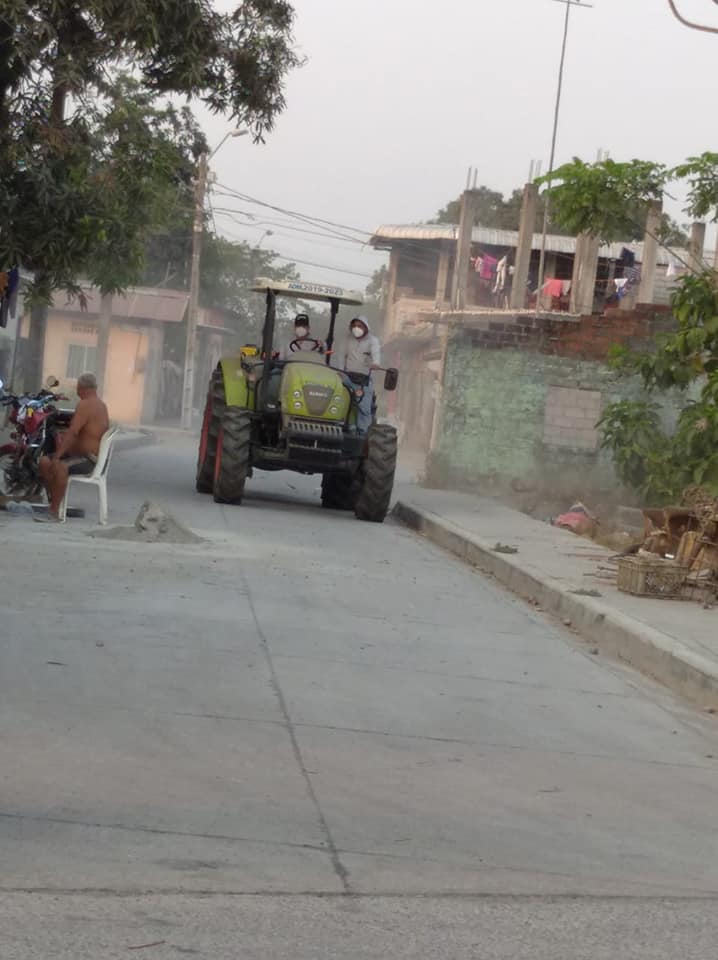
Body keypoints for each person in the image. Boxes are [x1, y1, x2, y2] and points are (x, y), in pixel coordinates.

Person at [36, 372, 110, 523]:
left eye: (78, 387)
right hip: (78, 455)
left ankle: (54, 512)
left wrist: (58, 456)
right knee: (44, 462)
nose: (77, 391)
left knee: (60, 466)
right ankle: (55, 501)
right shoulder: (100, 405)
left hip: (89, 459)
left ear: (82, 388)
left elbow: (72, 433)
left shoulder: (86, 405)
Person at [340, 315, 381, 434]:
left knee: (364, 408)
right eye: (354, 326)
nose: (356, 328)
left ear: (366, 327)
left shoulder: (373, 341)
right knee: (338, 398)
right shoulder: (347, 339)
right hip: (347, 377)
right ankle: (340, 425)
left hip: (363, 380)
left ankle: (362, 433)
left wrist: (376, 363)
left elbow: (376, 353)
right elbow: (341, 356)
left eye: (359, 326)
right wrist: (340, 371)